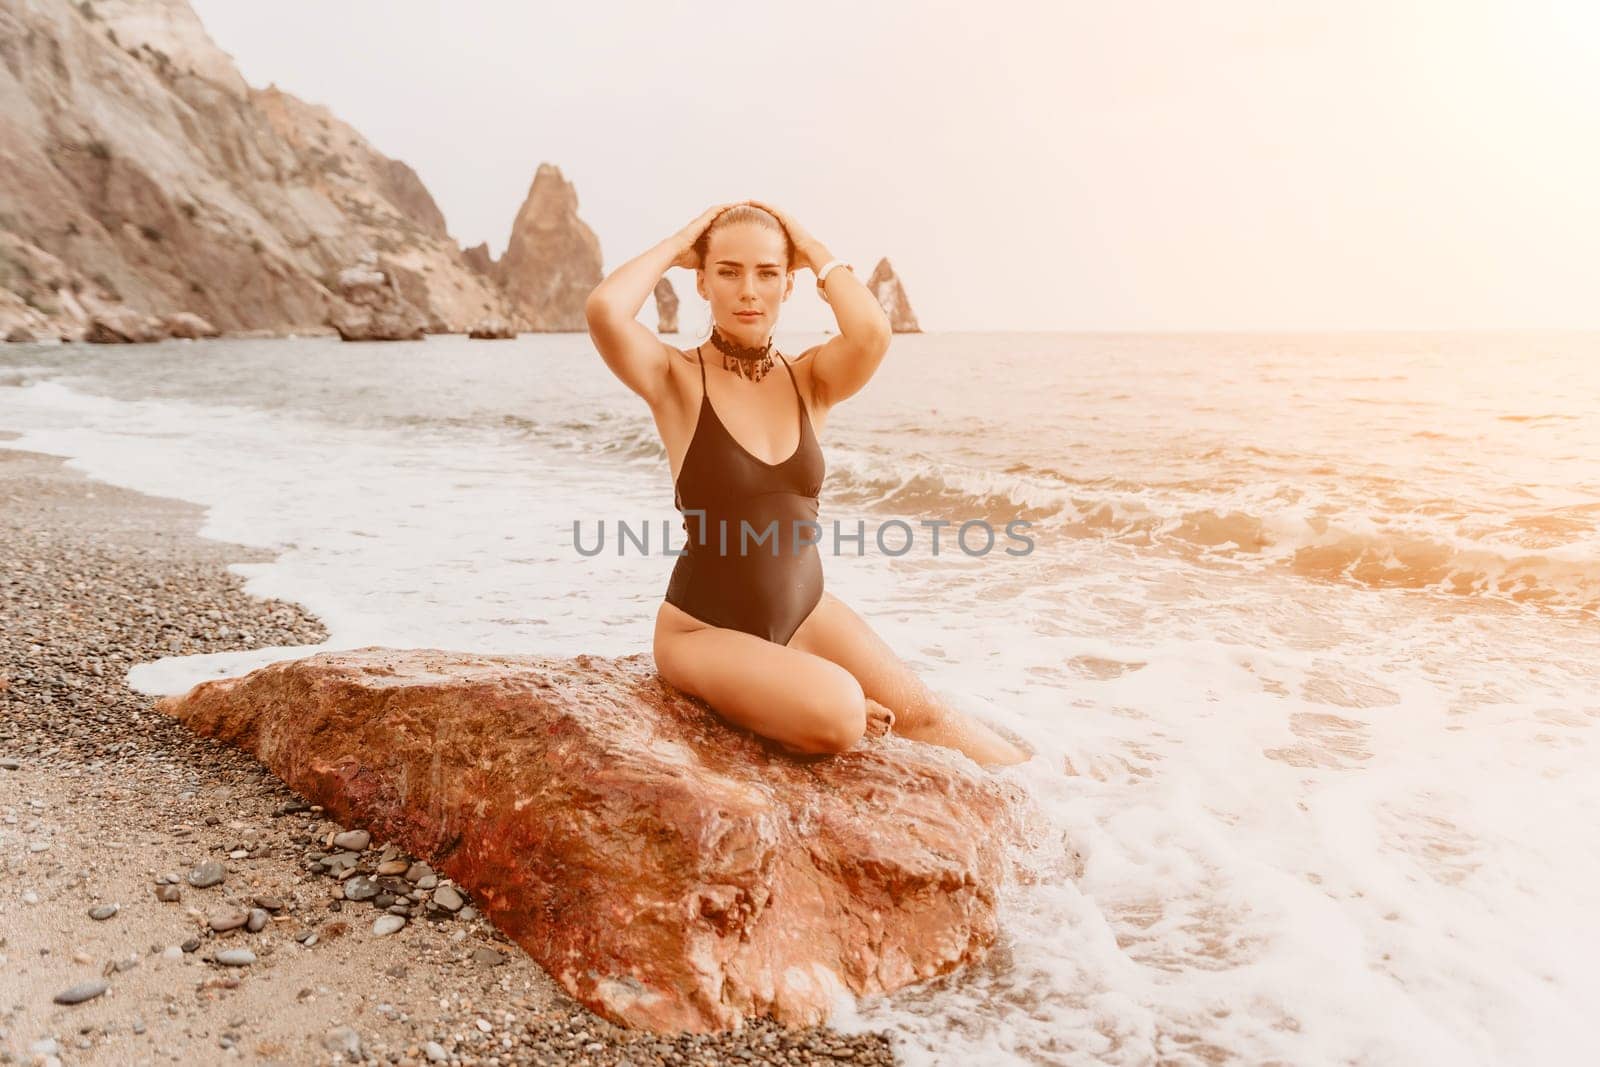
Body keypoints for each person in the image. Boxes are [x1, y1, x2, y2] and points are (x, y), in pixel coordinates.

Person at [584, 200, 1028, 767]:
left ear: (788, 284)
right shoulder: (674, 377)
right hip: (701, 633)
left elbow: (871, 332)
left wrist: (809, 246)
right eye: (729, 271)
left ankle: (1075, 809)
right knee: (844, 714)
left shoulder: (810, 379)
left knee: (929, 716)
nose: (749, 290)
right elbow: (605, 310)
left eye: (768, 273)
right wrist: (681, 240)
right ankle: (817, 697)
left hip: (806, 612)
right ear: (701, 280)